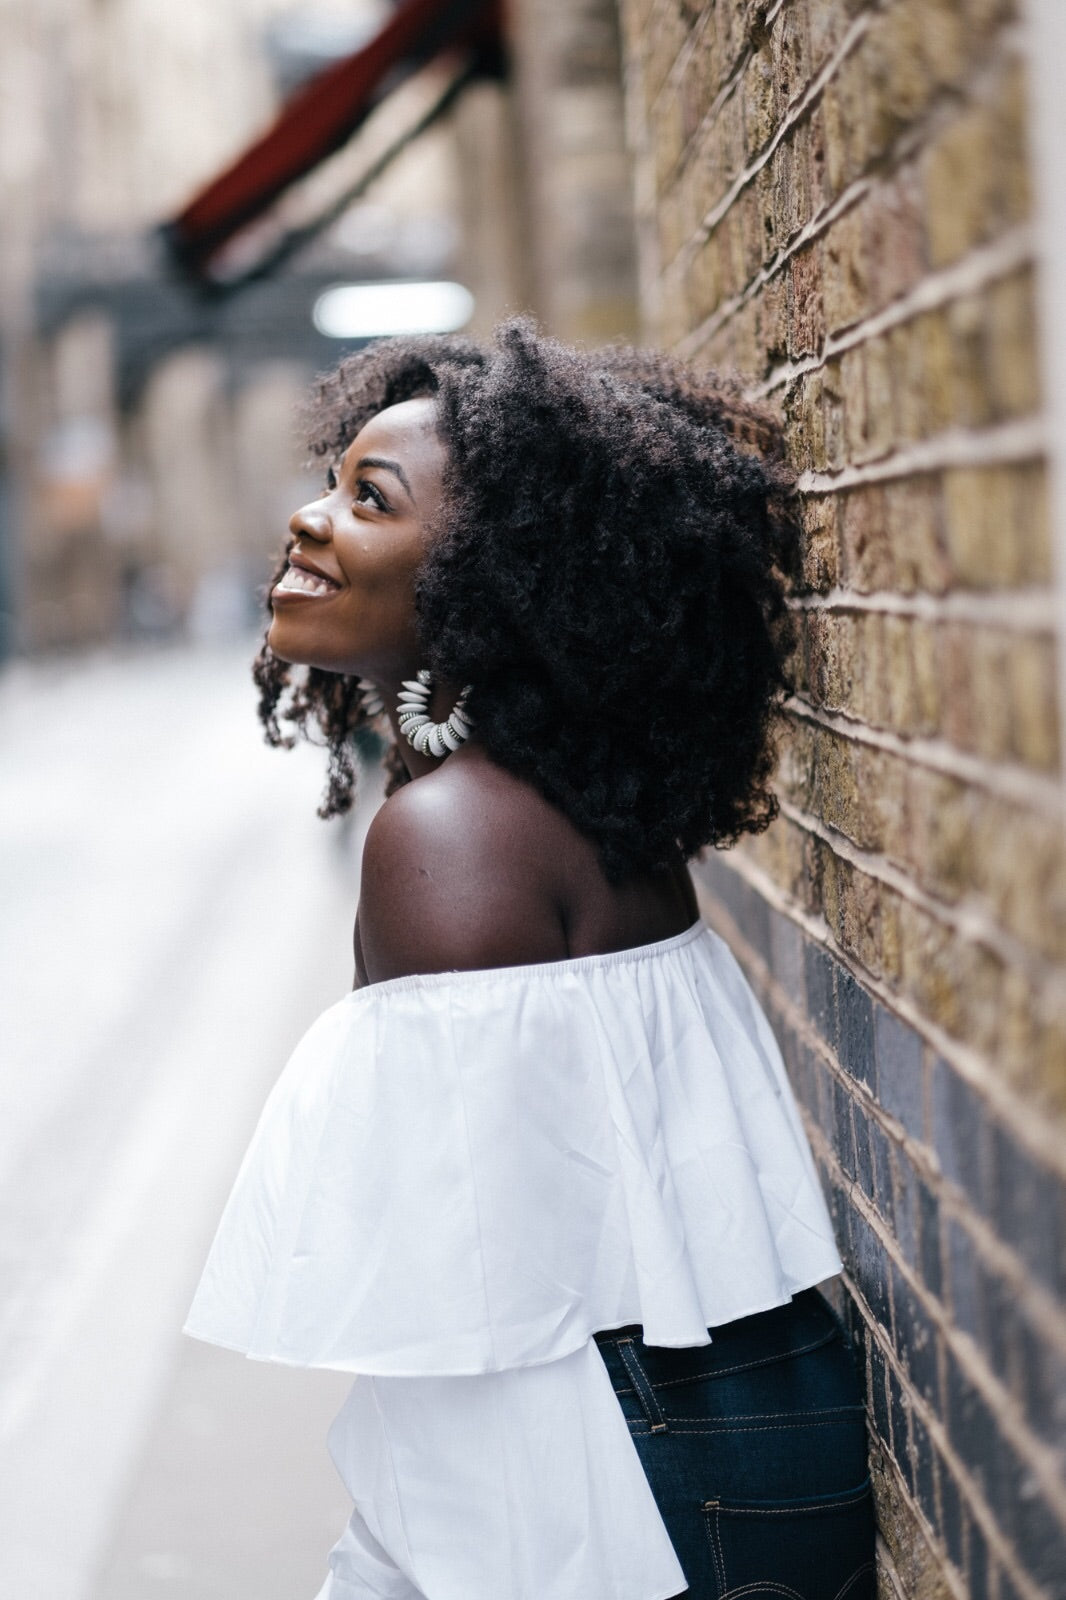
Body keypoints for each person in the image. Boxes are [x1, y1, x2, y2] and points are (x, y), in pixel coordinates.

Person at [184, 319, 875, 1599]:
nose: (308, 519)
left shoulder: (445, 840)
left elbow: (484, 1332)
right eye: (331, 482)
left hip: (635, 1478)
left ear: (494, 574)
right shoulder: (552, 801)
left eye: (367, 499)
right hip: (737, 1439)